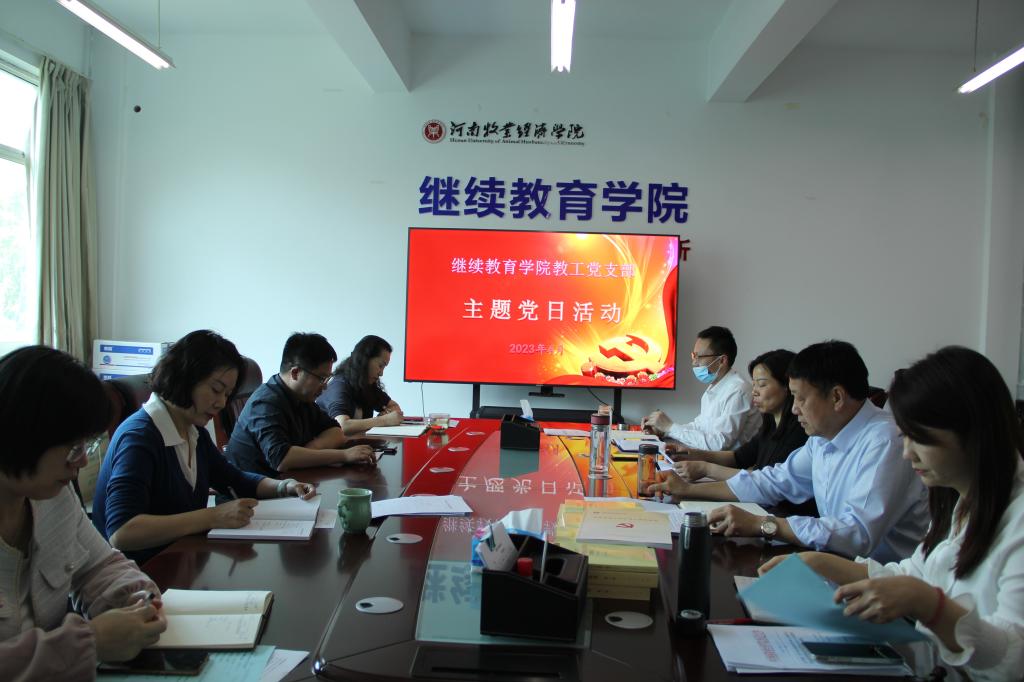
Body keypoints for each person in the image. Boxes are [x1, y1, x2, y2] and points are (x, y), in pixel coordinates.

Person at [759, 347, 1024, 681]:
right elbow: (913, 574)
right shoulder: (960, 501)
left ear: (972, 431)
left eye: (919, 438)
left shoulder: (1016, 516)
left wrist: (930, 606)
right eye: (906, 436)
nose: (907, 452)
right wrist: (820, 563)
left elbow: (1015, 660)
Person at [648, 340, 929, 563]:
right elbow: (773, 481)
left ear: (836, 397)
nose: (794, 409)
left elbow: (857, 534)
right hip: (838, 567)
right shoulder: (823, 438)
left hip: (884, 586)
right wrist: (688, 490)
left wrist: (765, 525)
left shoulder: (885, 441)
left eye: (801, 399)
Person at [0, 346, 167, 679]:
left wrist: (138, 598)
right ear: (22, 434)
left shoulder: (53, 497)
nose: (83, 461)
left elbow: (100, 565)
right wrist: (89, 642)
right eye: (73, 448)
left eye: (86, 445)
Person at [92, 330, 318, 565]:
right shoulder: (139, 437)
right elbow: (122, 532)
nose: (221, 403)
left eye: (227, 394)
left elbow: (233, 478)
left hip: (180, 561)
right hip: (139, 574)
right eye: (216, 390)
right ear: (184, 378)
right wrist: (212, 517)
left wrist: (284, 486)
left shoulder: (193, 430)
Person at [669, 349, 816, 517]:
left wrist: (705, 470)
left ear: (787, 386)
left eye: (762, 384)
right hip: (762, 508)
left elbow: (766, 482)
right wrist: (694, 454)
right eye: (754, 384)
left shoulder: (802, 432)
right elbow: (739, 458)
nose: (754, 391)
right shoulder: (769, 425)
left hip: (782, 515)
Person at [226, 332, 376, 477]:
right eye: (321, 378)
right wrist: (344, 455)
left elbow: (336, 432)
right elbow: (282, 460)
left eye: (327, 378)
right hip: (254, 490)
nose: (324, 386)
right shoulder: (265, 403)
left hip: (290, 482)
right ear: (295, 373)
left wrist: (308, 451)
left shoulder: (302, 397)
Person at [643, 325, 760, 451]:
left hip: (729, 462)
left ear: (722, 360)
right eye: (693, 356)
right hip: (709, 458)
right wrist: (663, 430)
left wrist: (670, 427)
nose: (694, 362)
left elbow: (719, 444)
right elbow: (700, 428)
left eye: (699, 356)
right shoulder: (715, 387)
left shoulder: (738, 390)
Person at [316, 335, 403, 434]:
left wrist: (387, 415)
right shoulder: (339, 385)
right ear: (365, 360)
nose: (381, 373)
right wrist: (384, 420)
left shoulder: (367, 385)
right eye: (380, 366)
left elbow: (394, 406)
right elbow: (342, 425)